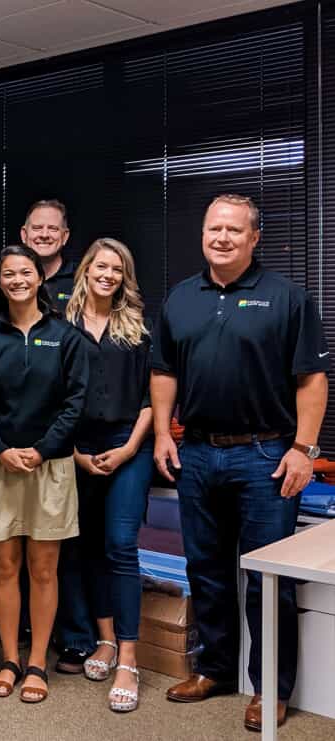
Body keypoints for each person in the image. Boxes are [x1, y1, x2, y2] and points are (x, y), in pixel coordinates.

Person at [152, 194, 328, 731]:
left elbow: (312, 379)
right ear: (202, 234)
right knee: (205, 571)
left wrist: (304, 450)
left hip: (267, 456)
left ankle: (270, 691)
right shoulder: (180, 298)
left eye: (233, 230)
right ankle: (217, 670)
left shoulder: (287, 298)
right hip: (199, 453)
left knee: (268, 580)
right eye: (213, 229)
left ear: (255, 238)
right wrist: (162, 431)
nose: (221, 238)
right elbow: (164, 372)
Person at [0, 245, 88, 703]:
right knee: (4, 565)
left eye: (25, 272)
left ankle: (37, 662)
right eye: (8, 274)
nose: (17, 280)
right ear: (1, 282)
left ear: (40, 280)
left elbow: (75, 403)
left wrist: (40, 450)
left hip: (49, 467)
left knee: (43, 568)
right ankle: (9, 658)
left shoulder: (65, 336)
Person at [62, 239, 154, 712]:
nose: (109, 275)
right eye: (101, 266)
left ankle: (129, 657)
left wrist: (130, 448)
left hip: (128, 445)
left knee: (120, 544)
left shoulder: (137, 327)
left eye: (117, 269)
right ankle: (104, 639)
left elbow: (151, 399)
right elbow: (52, 397)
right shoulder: (61, 326)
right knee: (87, 545)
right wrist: (76, 454)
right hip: (77, 451)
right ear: (86, 269)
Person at [0, 199, 77, 321]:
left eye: (53, 228)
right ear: (24, 234)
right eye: (37, 228)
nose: (44, 235)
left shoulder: (81, 280)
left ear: (65, 236)